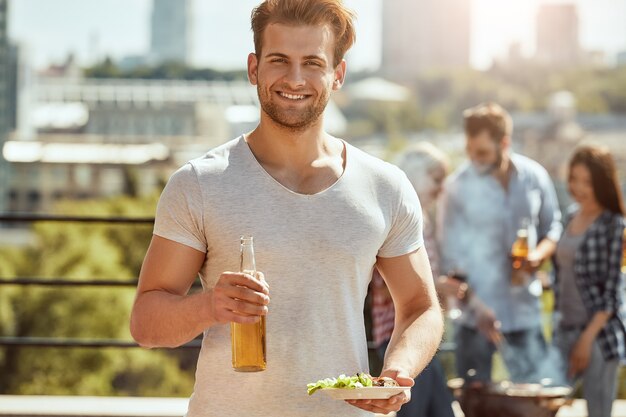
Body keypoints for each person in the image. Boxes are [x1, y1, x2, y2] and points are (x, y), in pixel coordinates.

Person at [129, 1, 444, 416]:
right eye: (279, 60)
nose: (295, 79)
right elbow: (146, 323)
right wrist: (208, 306)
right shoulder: (199, 184)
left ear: (338, 75)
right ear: (253, 68)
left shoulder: (385, 186)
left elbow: (421, 307)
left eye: (312, 62)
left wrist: (397, 371)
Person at [438, 102, 563, 384]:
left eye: (482, 153)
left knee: (532, 400)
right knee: (477, 401)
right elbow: (450, 259)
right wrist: (476, 304)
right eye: (470, 152)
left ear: (504, 143)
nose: (474, 160)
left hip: (525, 312)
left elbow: (553, 226)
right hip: (476, 319)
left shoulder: (535, 177)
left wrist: (537, 256)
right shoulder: (456, 188)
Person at [371, 142, 455, 417]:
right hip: (397, 336)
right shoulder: (392, 216)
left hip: (421, 337)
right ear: (418, 175)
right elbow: (381, 289)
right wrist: (437, 286)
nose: (441, 189)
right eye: (436, 179)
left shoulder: (425, 221)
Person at [552, 145, 625, 417]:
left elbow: (612, 292)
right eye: (574, 179)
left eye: (587, 182)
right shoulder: (571, 215)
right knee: (543, 404)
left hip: (597, 336)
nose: (579, 188)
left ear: (601, 182)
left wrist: (586, 339)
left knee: (598, 413)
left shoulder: (613, 224)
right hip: (564, 329)